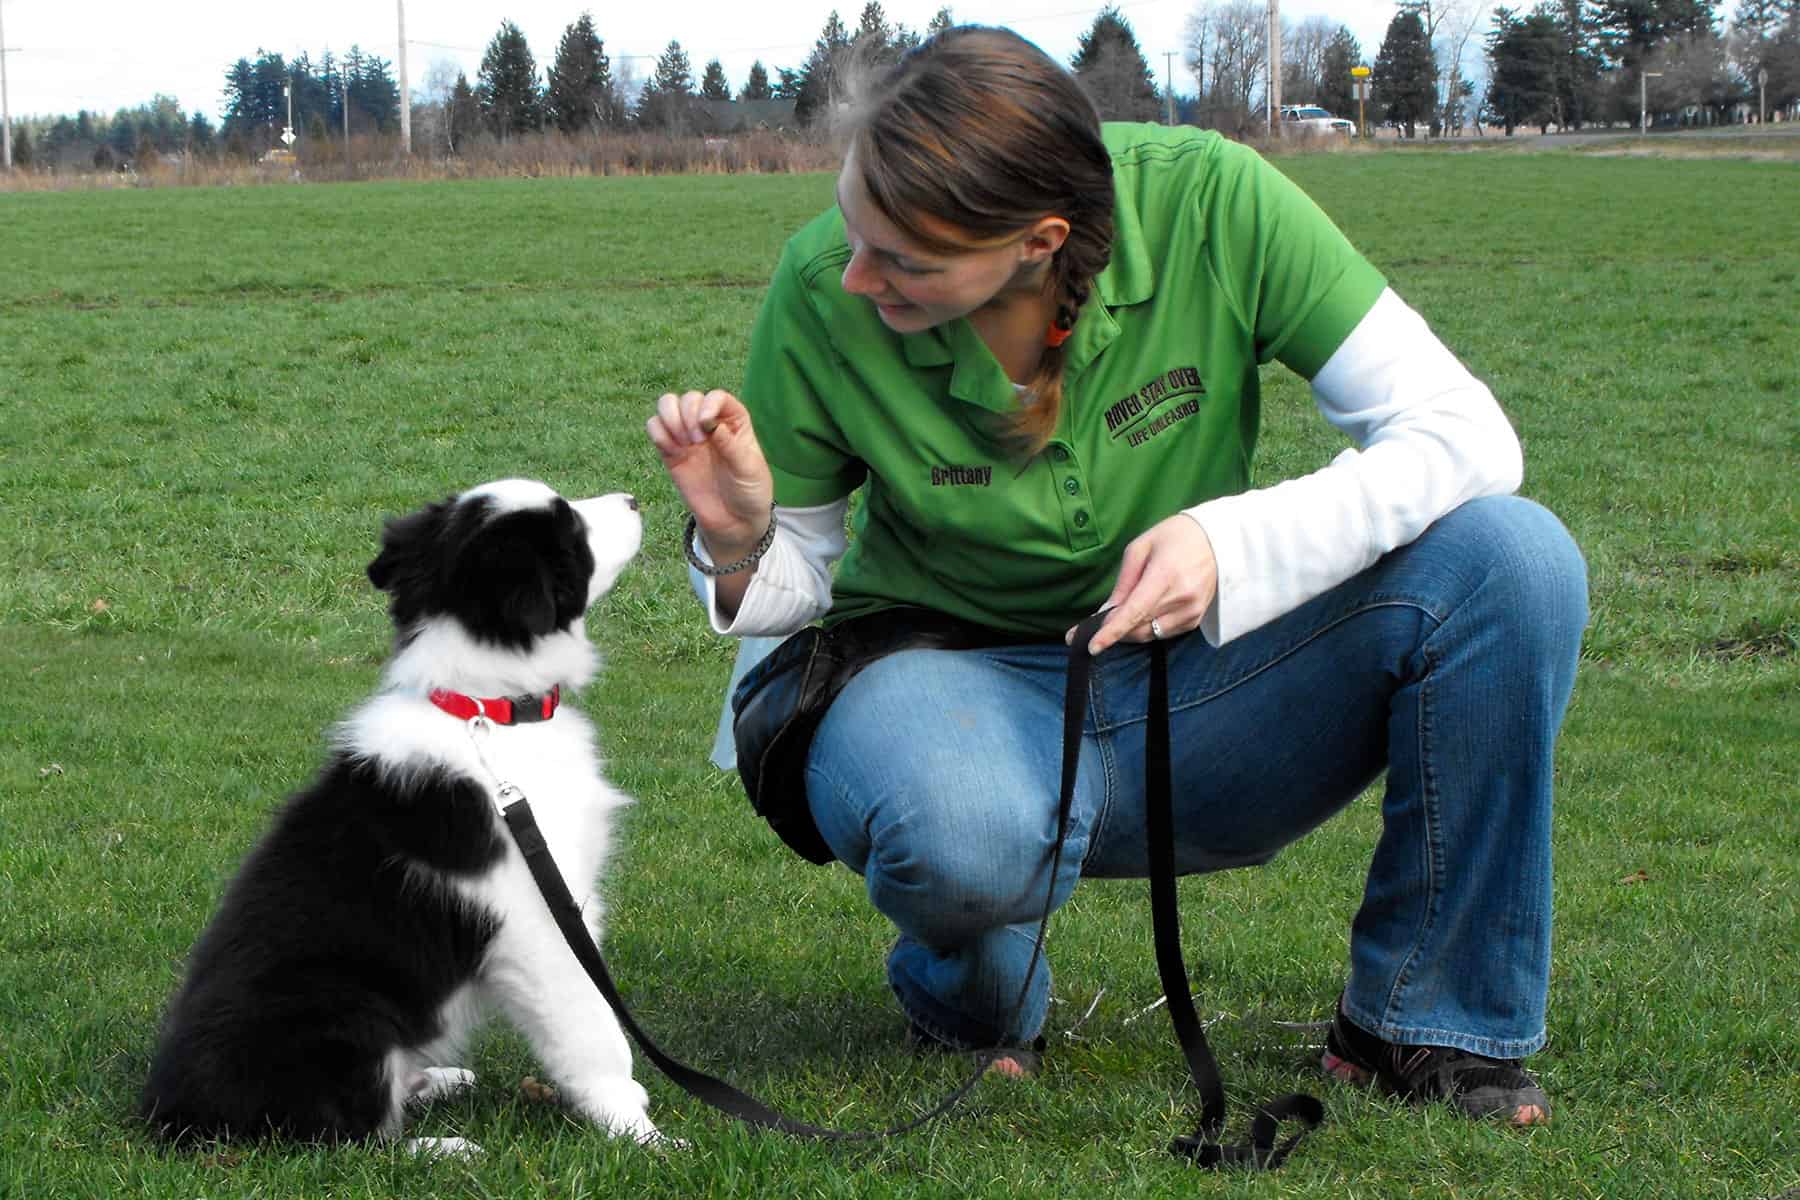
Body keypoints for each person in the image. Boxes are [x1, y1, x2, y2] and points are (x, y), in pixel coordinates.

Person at [647, 25, 1586, 1127]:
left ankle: (1423, 1024)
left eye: (903, 258)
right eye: (857, 230)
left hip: (1198, 680)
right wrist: (743, 537)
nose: (857, 273)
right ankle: (974, 994)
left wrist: (1234, 545)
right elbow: (792, 590)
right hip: (944, 685)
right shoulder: (822, 292)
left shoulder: (1216, 202)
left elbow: (1464, 433)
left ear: (1041, 240)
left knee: (1514, 561)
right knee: (964, 830)